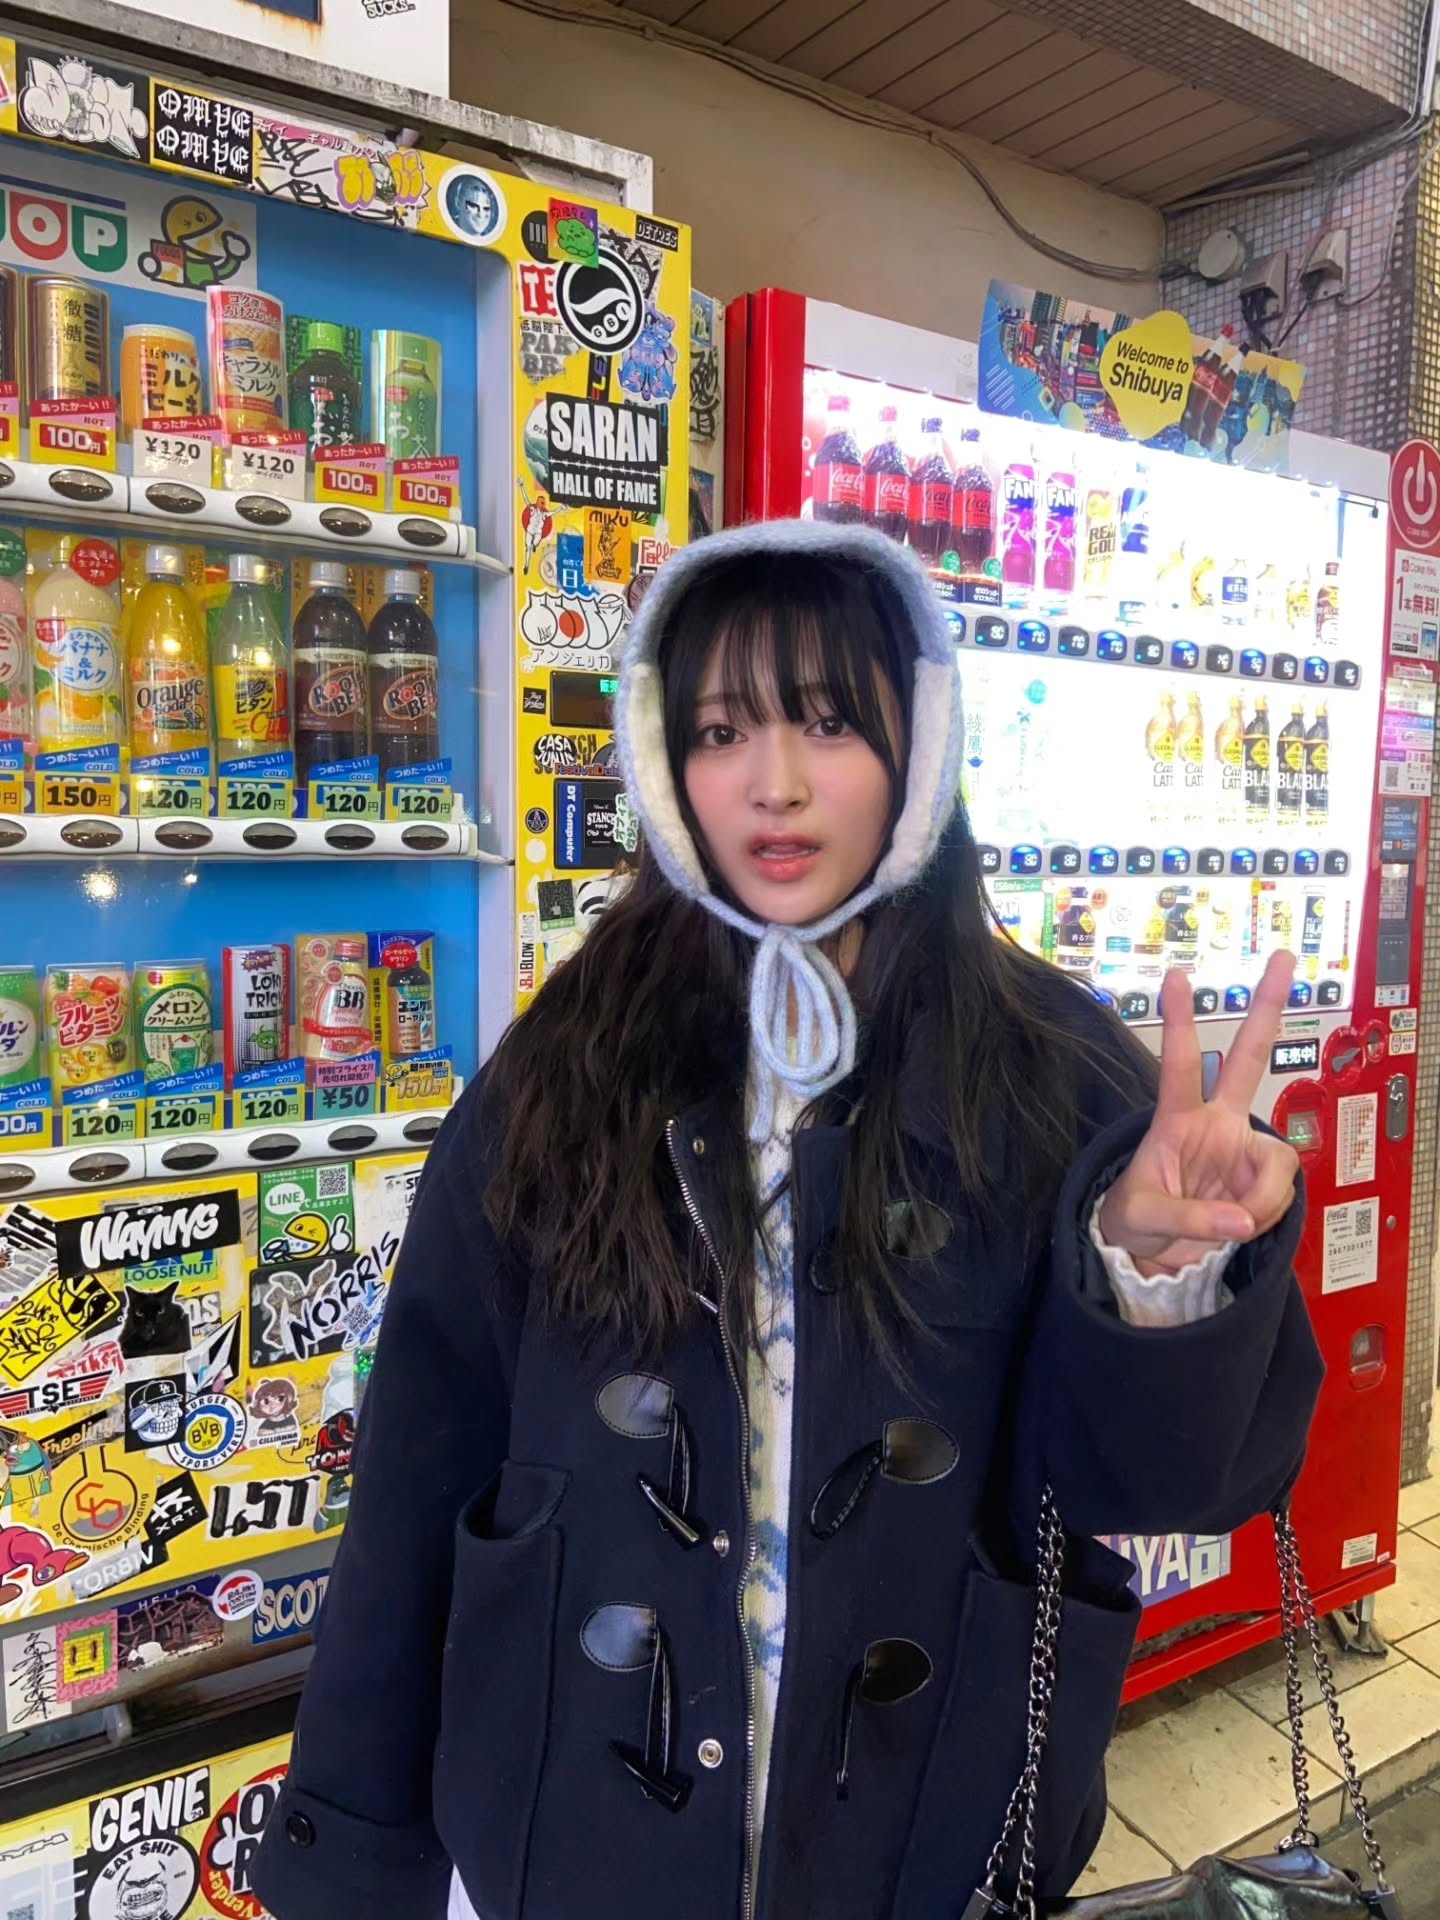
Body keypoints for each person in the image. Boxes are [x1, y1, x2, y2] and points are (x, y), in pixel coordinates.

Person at [254, 521, 1319, 1920]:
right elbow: (418, 1464)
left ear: (919, 744)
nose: (775, 783)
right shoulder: (567, 1060)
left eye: (829, 721)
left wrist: (1156, 1285)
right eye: (720, 729)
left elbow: (1183, 1491)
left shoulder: (1045, 1069)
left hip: (926, 1837)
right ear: (663, 759)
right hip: (571, 1831)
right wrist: (351, 1850)